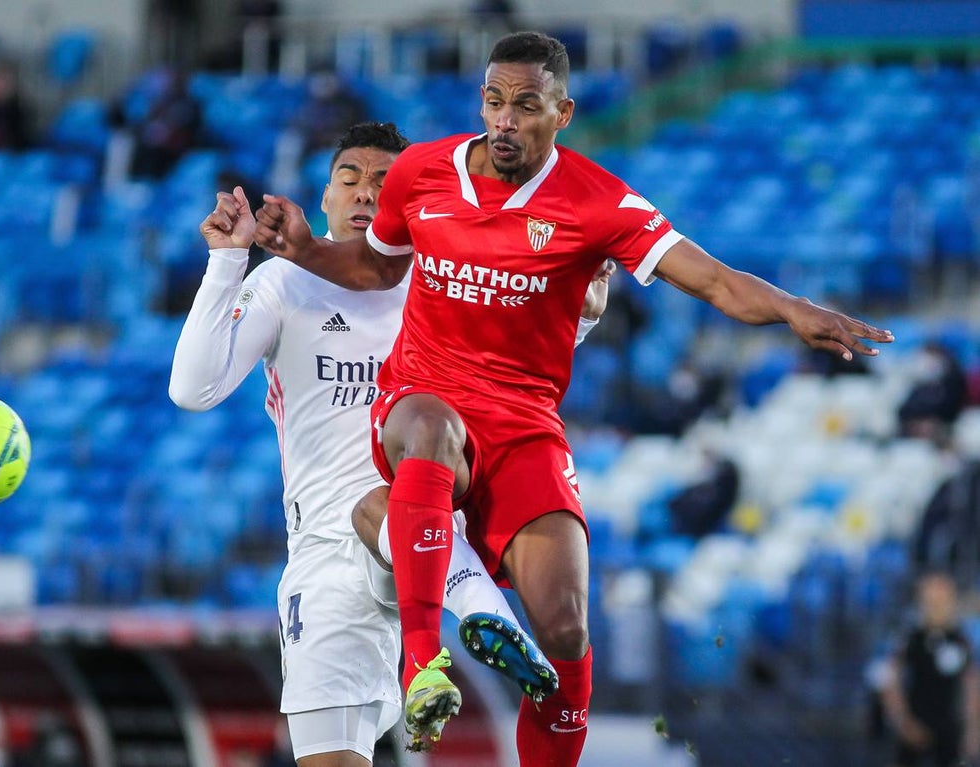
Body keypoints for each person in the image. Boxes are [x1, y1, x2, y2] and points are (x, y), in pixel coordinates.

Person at [251, 30, 894, 763]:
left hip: (523, 424)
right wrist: (305, 250)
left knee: (564, 629)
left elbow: (714, 279)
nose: (504, 120)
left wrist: (793, 309)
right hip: (419, 398)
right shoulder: (421, 173)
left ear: (563, 113)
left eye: (526, 106)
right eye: (494, 100)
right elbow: (376, 268)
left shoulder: (597, 202)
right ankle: (424, 664)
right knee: (428, 427)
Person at [169, 122, 606, 766]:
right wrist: (228, 260)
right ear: (325, 197)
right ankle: (482, 621)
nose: (366, 192)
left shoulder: (447, 277)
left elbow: (525, 361)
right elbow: (193, 388)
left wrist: (580, 308)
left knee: (387, 493)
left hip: (434, 528)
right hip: (325, 556)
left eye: (384, 181)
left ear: (410, 198)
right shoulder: (287, 281)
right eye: (349, 179)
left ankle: (484, 616)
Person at [881, 572, 980, 767]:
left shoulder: (961, 640)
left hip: (950, 729)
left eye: (943, 600)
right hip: (915, 725)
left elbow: (971, 685)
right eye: (931, 601)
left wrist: (973, 729)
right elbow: (890, 681)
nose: (937, 607)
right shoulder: (910, 638)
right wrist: (903, 721)